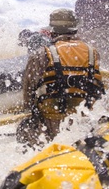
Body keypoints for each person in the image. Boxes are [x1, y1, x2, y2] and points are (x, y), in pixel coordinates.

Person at [17, 8, 104, 147]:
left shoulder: (42, 54)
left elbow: (28, 90)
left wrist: (29, 113)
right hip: (84, 119)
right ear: (75, 29)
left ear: (52, 31)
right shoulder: (92, 52)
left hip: (52, 122)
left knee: (24, 131)